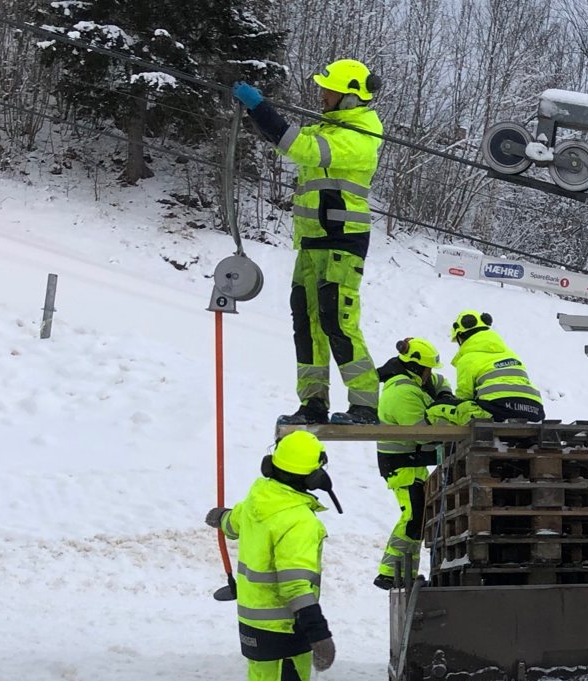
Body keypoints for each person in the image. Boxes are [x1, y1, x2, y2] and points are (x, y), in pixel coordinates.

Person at [232, 61, 385, 426]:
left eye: (329, 90)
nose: (322, 95)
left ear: (350, 97)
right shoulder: (330, 129)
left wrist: (260, 107)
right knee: (307, 324)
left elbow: (301, 148)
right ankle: (312, 403)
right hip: (312, 242)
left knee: (338, 320)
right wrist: (258, 114)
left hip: (341, 240)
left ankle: (365, 405)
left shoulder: (359, 139)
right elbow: (289, 141)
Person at [205, 431, 342, 681]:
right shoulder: (298, 520)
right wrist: (319, 633)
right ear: (314, 477)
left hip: (252, 627)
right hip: (285, 631)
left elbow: (236, 523)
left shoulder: (259, 499)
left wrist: (222, 519)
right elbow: (294, 582)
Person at [372, 337, 468, 589]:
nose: (430, 374)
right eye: (427, 369)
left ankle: (403, 573)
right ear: (416, 368)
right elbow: (426, 435)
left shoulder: (415, 381)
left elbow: (440, 381)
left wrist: (445, 396)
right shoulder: (402, 393)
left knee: (418, 517)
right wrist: (448, 417)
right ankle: (388, 573)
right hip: (401, 463)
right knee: (413, 517)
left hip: (412, 461)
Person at [448, 310, 547, 422]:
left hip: (497, 409)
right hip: (534, 409)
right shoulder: (511, 354)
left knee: (444, 409)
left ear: (461, 337)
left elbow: (464, 396)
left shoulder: (467, 359)